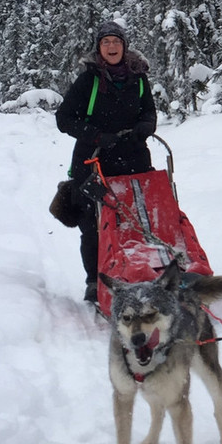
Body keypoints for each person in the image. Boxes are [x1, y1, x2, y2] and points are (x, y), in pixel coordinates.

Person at [56, 21, 157, 302]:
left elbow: (149, 112)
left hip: (133, 160)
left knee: (137, 221)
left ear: (124, 46)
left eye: (116, 41)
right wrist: (97, 136)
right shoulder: (89, 80)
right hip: (92, 163)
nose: (112, 47)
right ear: (99, 48)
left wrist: (144, 128)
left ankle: (137, 272)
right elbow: (64, 118)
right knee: (93, 225)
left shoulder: (138, 78)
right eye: (106, 42)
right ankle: (94, 280)